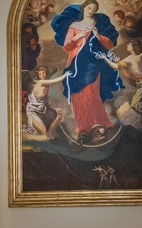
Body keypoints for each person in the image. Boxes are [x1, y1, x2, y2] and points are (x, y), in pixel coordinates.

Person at [50, 0, 123, 138]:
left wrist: (98, 36)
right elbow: (67, 47)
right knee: (78, 94)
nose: (91, 11)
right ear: (83, 9)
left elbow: (109, 44)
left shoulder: (97, 26)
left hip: (93, 61)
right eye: (89, 8)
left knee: (92, 91)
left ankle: (100, 122)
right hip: (76, 62)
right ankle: (83, 127)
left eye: (94, 9)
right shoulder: (74, 26)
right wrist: (76, 37)